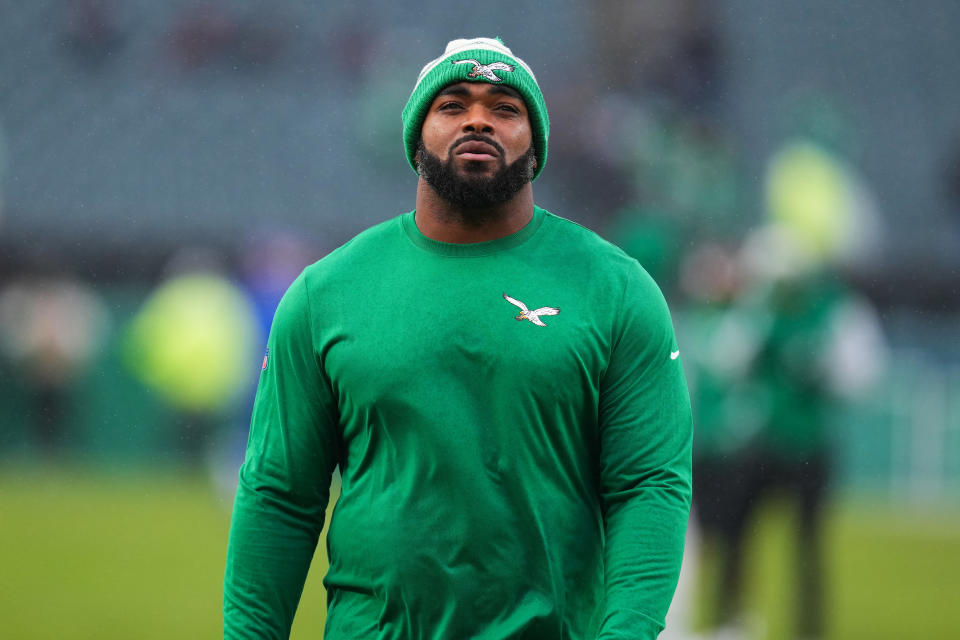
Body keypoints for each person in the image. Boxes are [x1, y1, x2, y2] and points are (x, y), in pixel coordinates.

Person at [223, 37, 693, 640]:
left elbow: (648, 484)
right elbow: (281, 494)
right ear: (417, 135)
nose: (478, 119)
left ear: (537, 142)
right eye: (452, 105)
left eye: (504, 108)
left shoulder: (617, 289)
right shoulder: (325, 294)